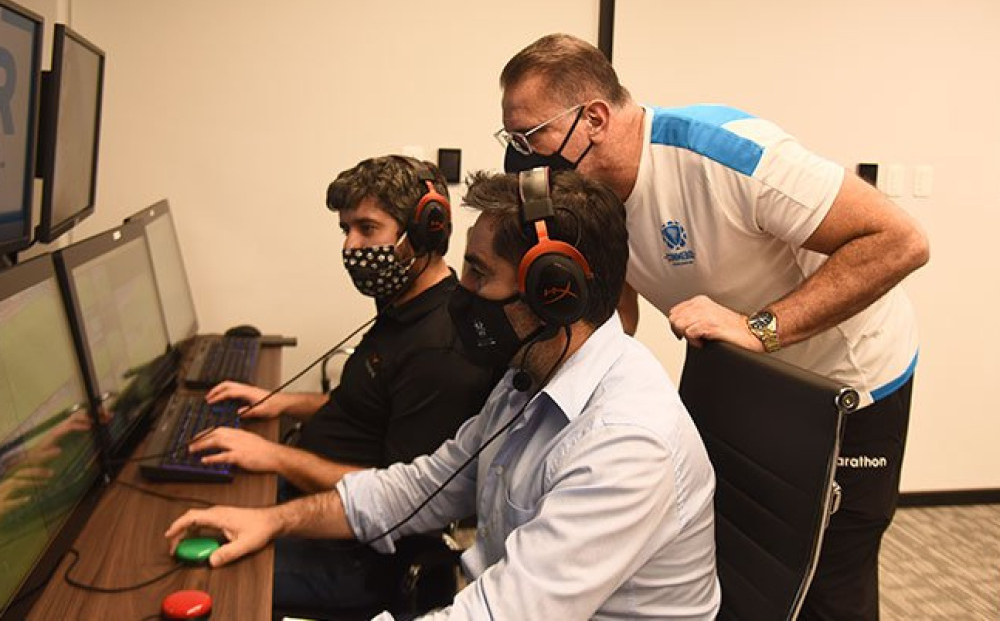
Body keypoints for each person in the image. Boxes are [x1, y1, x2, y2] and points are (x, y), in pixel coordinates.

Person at [496, 33, 930, 621]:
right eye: (512, 140)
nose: (522, 158)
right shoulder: (594, 192)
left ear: (593, 118)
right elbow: (619, 315)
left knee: (828, 577)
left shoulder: (724, 154)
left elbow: (900, 241)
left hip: (847, 379)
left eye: (531, 136)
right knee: (737, 556)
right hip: (746, 374)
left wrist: (761, 328)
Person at [167, 167, 721, 620]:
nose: (463, 289)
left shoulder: (625, 445)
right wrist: (272, 520)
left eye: (479, 273)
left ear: (553, 294)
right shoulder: (528, 377)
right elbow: (417, 488)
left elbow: (499, 615)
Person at [188, 155, 499, 614]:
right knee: (188, 502)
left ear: (425, 232)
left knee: (196, 574)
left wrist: (274, 455)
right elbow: (368, 404)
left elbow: (398, 496)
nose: (351, 245)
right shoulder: (403, 305)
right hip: (315, 509)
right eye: (345, 230)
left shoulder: (441, 349)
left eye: (367, 229)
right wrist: (283, 404)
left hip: (357, 555)